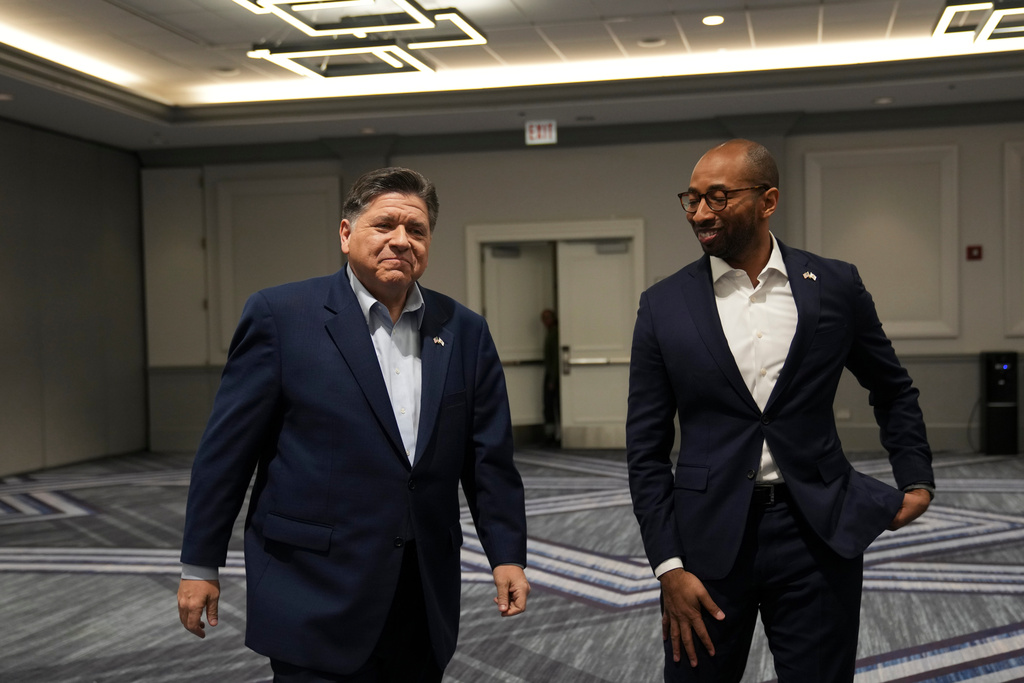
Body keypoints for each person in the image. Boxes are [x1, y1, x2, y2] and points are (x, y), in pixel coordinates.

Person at [177, 167, 530, 682]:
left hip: (420, 593)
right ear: (346, 234)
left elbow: (489, 461)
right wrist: (199, 564)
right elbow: (226, 454)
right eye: (384, 224)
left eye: (416, 230)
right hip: (314, 588)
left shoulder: (464, 331)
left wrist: (507, 555)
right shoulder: (281, 315)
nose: (401, 240)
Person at [625, 139, 934, 683]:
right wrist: (668, 565)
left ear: (767, 200)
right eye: (692, 199)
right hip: (706, 540)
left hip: (817, 533)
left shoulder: (835, 285)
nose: (700, 213)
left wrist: (916, 477)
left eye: (718, 197)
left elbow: (892, 388)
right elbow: (645, 449)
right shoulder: (663, 305)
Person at [540, 308, 560, 445]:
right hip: (550, 373)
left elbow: (555, 359)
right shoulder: (550, 333)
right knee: (548, 406)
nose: (546, 321)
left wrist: (552, 379)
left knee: (552, 405)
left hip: (553, 374)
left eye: (548, 317)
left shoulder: (555, 334)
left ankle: (553, 435)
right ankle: (550, 434)